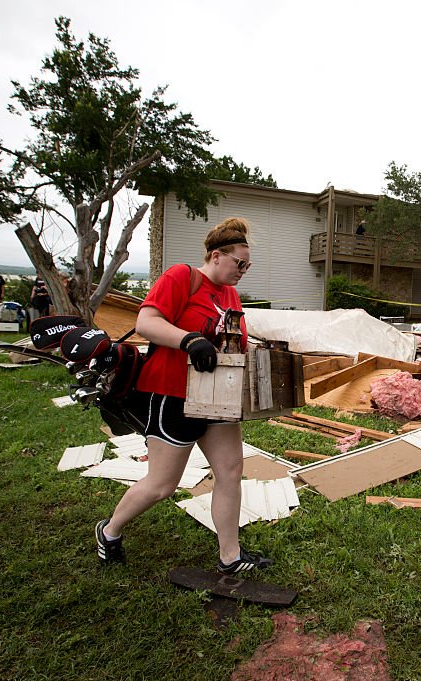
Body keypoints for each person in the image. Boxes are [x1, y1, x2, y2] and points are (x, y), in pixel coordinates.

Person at [95, 217, 272, 575]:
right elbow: (146, 322)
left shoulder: (231, 295)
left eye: (247, 265)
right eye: (240, 263)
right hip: (172, 392)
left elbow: (235, 341)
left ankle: (230, 556)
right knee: (162, 485)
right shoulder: (182, 277)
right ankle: (109, 531)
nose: (243, 271)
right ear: (216, 256)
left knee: (230, 471)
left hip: (217, 397)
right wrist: (189, 339)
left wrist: (254, 354)